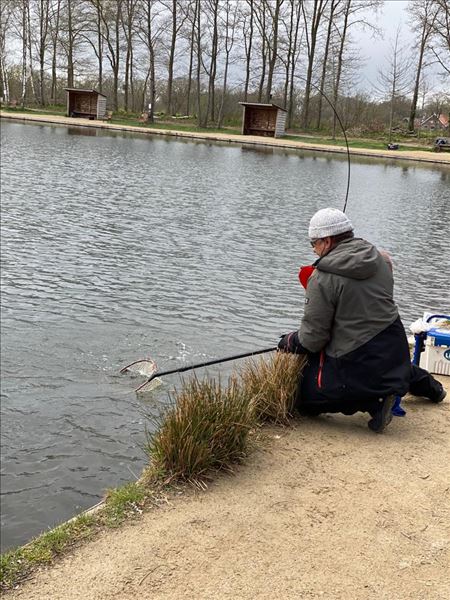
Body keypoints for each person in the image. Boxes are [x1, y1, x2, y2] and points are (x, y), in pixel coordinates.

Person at [278, 207, 446, 433]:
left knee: (306, 396)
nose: (314, 250)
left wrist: (289, 341)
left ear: (327, 241)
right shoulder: (381, 260)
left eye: (314, 243)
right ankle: (435, 389)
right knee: (392, 367)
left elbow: (313, 340)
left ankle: (374, 402)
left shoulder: (322, 278)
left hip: (358, 362)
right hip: (395, 350)